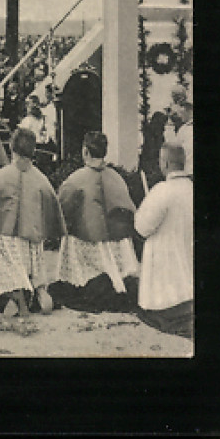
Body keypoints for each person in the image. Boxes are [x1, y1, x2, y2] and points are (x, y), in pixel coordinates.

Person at [0, 127, 66, 318]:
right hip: (31, 238)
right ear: (33, 152)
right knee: (33, 251)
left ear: (12, 150)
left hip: (7, 239)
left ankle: (16, 293)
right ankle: (37, 287)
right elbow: (53, 209)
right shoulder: (41, 180)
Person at [53, 131, 139, 312]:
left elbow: (61, 210)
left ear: (85, 151)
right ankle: (118, 279)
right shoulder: (117, 178)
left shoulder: (76, 179)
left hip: (88, 240)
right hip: (117, 241)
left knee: (70, 236)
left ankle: (86, 281)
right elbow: (129, 209)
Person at [134, 142, 194, 338]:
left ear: (166, 163)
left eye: (161, 160)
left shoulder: (162, 190)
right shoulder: (192, 189)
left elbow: (142, 227)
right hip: (188, 278)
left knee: (158, 310)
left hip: (166, 286)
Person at [164, 87, 193, 176]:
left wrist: (169, 123)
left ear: (185, 107)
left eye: (180, 106)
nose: (178, 113)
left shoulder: (185, 130)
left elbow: (171, 150)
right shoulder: (184, 129)